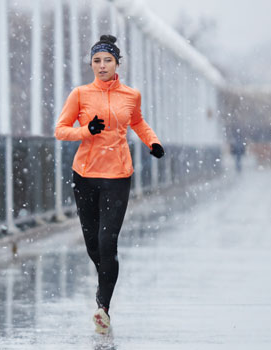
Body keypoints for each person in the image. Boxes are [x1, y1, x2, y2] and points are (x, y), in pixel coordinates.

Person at [54, 34, 164, 334]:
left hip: (117, 175)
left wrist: (152, 142)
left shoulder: (131, 95)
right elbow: (61, 131)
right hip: (85, 175)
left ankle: (103, 307)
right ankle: (105, 279)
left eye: (107, 60)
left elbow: (138, 122)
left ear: (117, 63)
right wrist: (86, 131)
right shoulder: (79, 94)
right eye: (96, 61)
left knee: (107, 242)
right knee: (93, 244)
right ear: (91, 64)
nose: (101, 66)